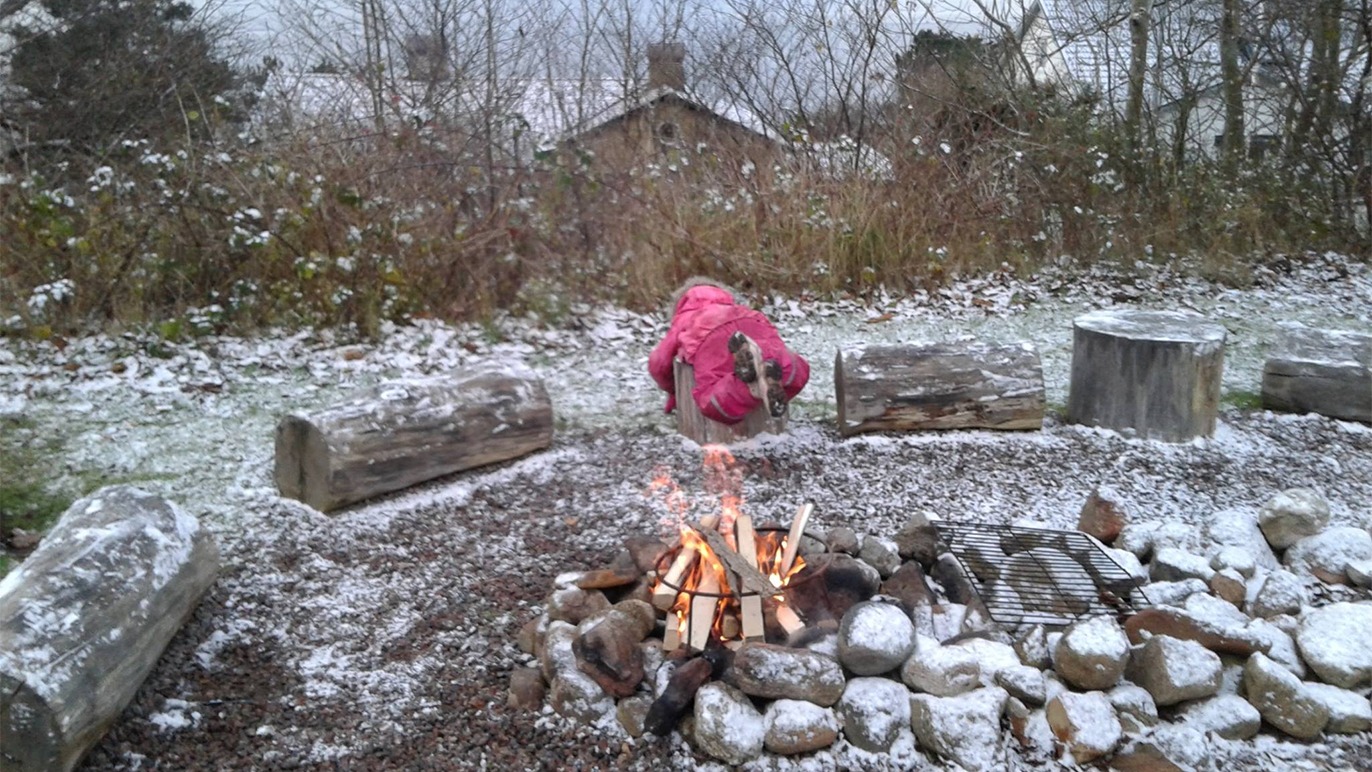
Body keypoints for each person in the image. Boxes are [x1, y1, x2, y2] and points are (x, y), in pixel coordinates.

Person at [648, 278, 810, 424]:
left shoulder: (686, 317)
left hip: (708, 336)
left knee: (711, 401)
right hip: (752, 322)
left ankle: (751, 389)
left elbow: (659, 363)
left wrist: (673, 391)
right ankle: (767, 368)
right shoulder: (739, 308)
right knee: (789, 365)